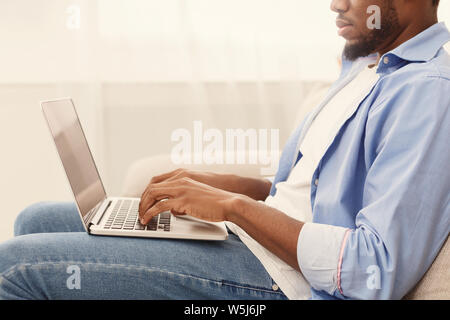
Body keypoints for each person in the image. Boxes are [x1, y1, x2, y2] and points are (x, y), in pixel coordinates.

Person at [1, 0, 448, 300]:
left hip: (283, 279)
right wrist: (225, 187)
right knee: (34, 218)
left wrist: (233, 208)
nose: (336, 4)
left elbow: (376, 266)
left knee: (12, 267)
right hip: (255, 242)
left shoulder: (427, 92)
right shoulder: (364, 66)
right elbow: (310, 195)